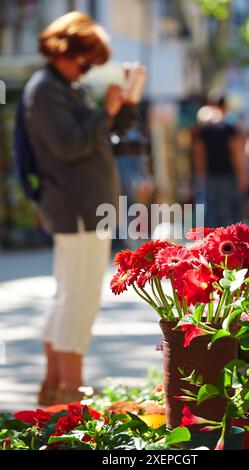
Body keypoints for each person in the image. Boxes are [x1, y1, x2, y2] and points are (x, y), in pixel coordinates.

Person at [23, 11, 135, 405]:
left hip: (83, 205)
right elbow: (68, 144)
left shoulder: (62, 87)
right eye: (84, 61)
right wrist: (104, 113)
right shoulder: (47, 89)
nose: (86, 70)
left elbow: (97, 137)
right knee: (79, 297)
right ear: (63, 50)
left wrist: (118, 111)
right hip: (76, 206)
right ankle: (71, 389)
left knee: (69, 294)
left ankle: (55, 387)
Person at [193, 96, 249, 227]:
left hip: (211, 176)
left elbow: (199, 154)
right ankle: (232, 243)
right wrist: (242, 175)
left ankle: (212, 242)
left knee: (212, 211)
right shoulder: (230, 129)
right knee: (232, 211)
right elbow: (236, 153)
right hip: (229, 175)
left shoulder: (204, 130)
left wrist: (200, 175)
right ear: (225, 107)